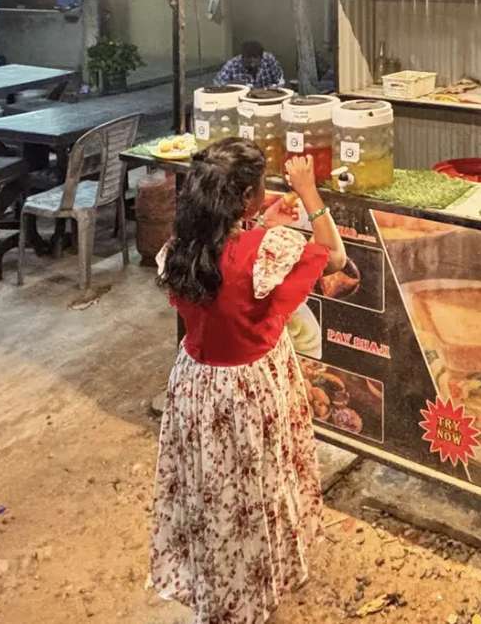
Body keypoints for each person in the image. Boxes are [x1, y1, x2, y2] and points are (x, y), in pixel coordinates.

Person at [150, 139, 346, 624]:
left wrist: (257, 224)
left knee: (212, 492)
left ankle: (216, 590)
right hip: (249, 389)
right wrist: (309, 192)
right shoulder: (266, 251)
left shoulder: (178, 249)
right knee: (256, 486)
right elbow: (335, 257)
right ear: (245, 198)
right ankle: (253, 596)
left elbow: (227, 263)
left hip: (197, 386)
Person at [215, 39, 285, 88]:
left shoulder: (269, 60)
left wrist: (276, 87)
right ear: (242, 57)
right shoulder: (232, 64)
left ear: (261, 57)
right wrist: (232, 84)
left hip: (268, 98)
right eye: (248, 58)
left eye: (255, 57)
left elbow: (279, 80)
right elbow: (217, 84)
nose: (252, 63)